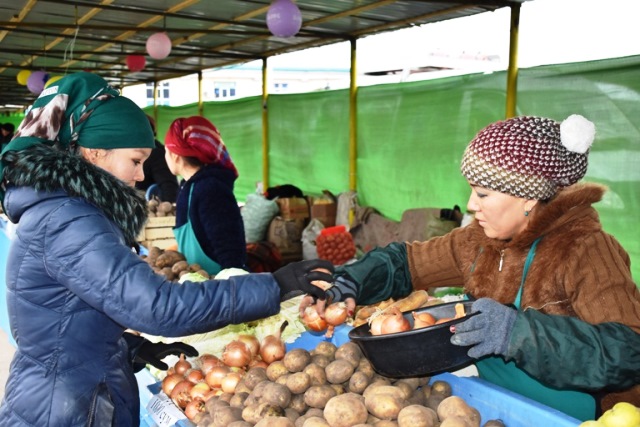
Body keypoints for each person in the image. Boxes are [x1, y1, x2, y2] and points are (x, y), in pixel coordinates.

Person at [0, 72, 332, 426]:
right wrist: (273, 286)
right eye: (135, 160)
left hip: (72, 393)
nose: (142, 175)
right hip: (63, 410)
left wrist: (125, 350)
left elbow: (63, 322)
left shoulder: (64, 210)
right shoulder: (67, 219)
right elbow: (156, 307)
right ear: (95, 152)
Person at [305, 114, 640, 421]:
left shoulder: (587, 249)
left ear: (528, 198)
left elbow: (629, 351)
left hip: (571, 413)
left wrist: (517, 333)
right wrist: (351, 282)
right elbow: (406, 262)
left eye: (483, 194)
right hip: (494, 401)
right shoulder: (480, 241)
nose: (470, 204)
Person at [164, 115, 248, 275]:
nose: (165, 157)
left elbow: (229, 248)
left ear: (175, 155)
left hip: (217, 286)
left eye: (166, 151)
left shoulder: (210, 189)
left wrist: (234, 288)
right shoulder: (188, 187)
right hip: (198, 285)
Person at [134, 115, 179, 203]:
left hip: (151, 209)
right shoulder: (132, 152)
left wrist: (166, 212)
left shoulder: (156, 153)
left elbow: (169, 187)